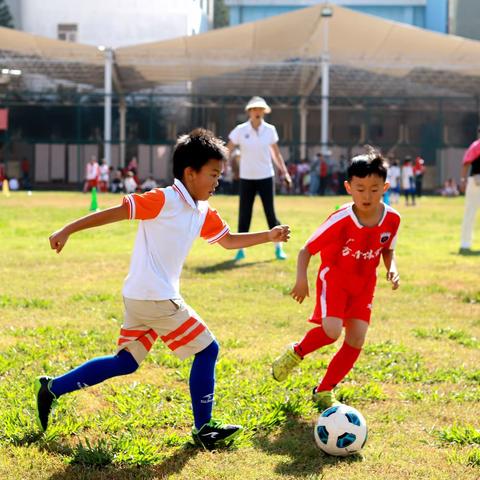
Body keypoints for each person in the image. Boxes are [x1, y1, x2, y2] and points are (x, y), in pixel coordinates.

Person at [34, 128, 290, 450]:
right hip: (156, 297)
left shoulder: (202, 210)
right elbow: (113, 213)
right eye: (212, 175)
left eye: (219, 175)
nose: (217, 182)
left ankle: (52, 388)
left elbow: (227, 241)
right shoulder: (164, 199)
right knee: (208, 350)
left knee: (125, 362)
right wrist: (67, 229)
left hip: (141, 296)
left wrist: (268, 236)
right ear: (189, 173)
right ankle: (204, 429)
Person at [271, 149, 400, 410]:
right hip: (336, 282)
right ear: (348, 187)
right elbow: (306, 250)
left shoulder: (393, 219)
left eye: (374, 189)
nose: (367, 195)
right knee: (331, 332)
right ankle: (296, 352)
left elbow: (387, 248)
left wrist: (392, 268)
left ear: (385, 187)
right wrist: (301, 281)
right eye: (360, 188)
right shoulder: (341, 219)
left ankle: (324, 390)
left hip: (364, 286)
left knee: (356, 339)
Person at [227, 96, 292, 261]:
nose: (257, 112)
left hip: (266, 176)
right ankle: (240, 250)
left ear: (264, 112)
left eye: (260, 110)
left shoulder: (270, 130)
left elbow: (276, 153)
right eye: (254, 109)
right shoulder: (240, 130)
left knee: (270, 213)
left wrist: (284, 173)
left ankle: (278, 248)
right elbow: (228, 148)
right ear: (249, 111)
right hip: (247, 178)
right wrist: (219, 166)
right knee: (244, 214)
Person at [459, 126, 480, 254]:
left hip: (475, 181)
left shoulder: (476, 145)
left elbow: (466, 162)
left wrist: (463, 180)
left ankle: (465, 243)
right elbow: (466, 163)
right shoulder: (477, 145)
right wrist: (463, 180)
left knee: (470, 213)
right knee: (470, 213)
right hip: (476, 182)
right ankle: (465, 243)